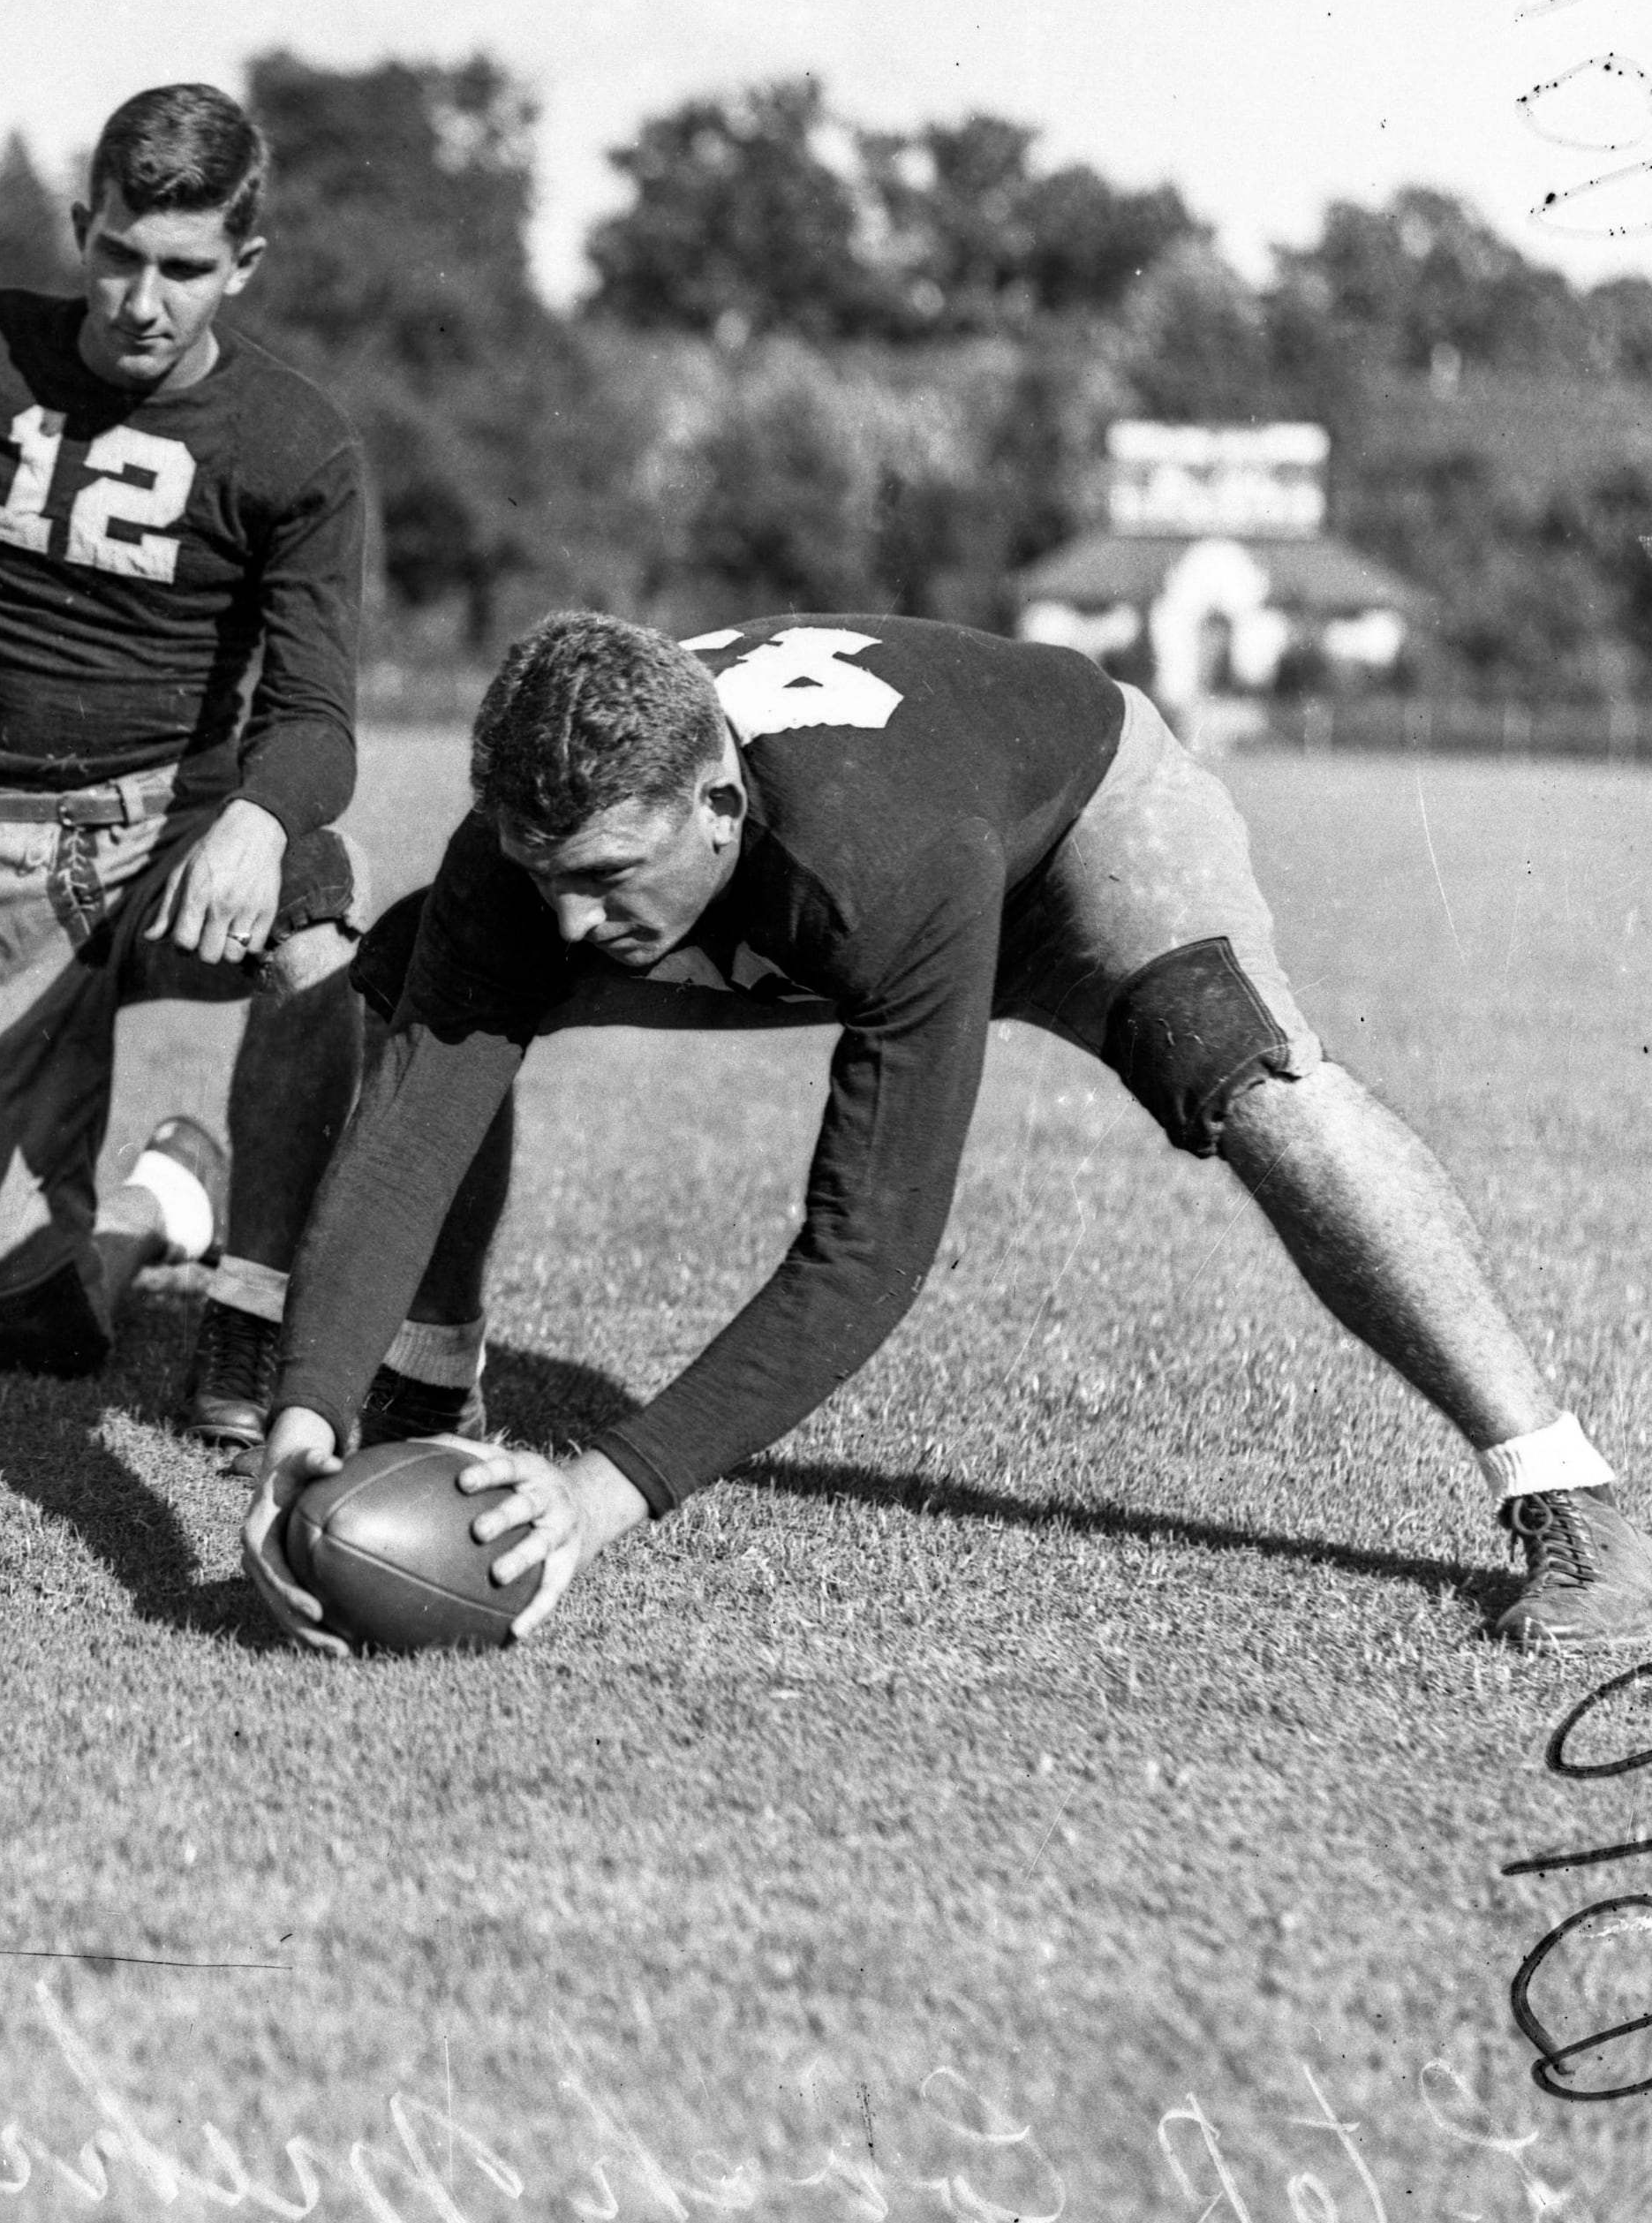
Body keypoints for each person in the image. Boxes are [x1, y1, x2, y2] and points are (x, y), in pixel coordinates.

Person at [245, 609, 1652, 1653]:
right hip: (772, 890)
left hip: (1061, 836)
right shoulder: (550, 863)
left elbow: (866, 1249)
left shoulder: (874, 855)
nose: (565, 918)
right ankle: (422, 1387)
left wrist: (601, 1494)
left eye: (600, 874)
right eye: (542, 873)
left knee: (1242, 1072)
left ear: (717, 799)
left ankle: (1565, 1487)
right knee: (425, 982)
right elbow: (411, 1137)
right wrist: (307, 1412)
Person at [0, 81, 450, 1423]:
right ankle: (164, 1201)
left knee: (316, 930)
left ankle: (253, 1304)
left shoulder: (294, 442)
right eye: (117, 254)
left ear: (244, 265)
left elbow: (316, 717)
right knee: (24, 1329)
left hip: (171, 826)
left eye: (183, 269)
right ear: (79, 228)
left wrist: (259, 818)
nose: (142, 301)